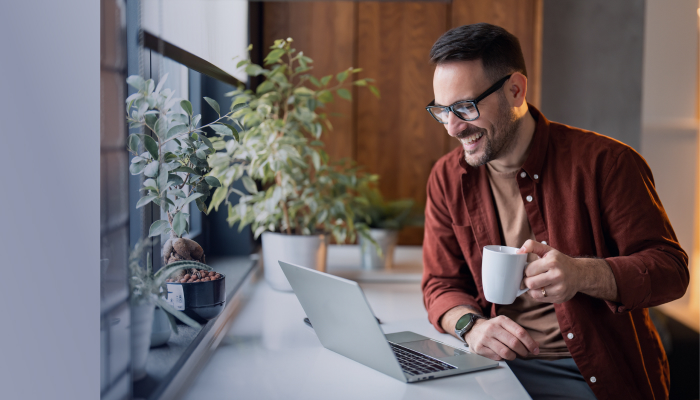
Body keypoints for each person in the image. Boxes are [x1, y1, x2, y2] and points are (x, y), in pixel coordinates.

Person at [421, 23, 689, 400]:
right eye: (442, 110)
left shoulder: (608, 163)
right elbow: (440, 284)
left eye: (465, 107)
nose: (452, 127)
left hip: (587, 372)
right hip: (492, 367)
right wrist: (471, 327)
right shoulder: (447, 177)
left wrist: (583, 273)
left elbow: (671, 271)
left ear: (515, 90)